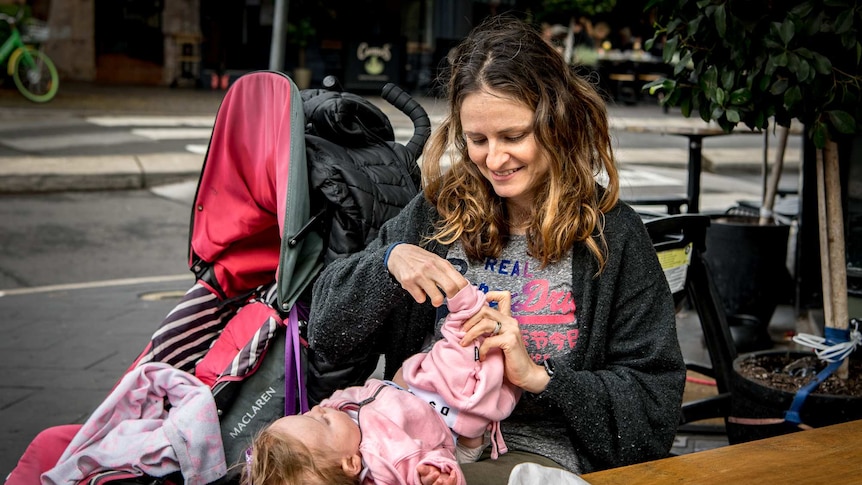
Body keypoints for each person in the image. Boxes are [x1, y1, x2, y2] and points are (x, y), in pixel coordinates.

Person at [307, 14, 686, 483]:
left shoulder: (613, 234)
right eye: (477, 140)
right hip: (401, 444)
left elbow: (653, 406)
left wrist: (540, 377)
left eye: (514, 136)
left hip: (532, 455)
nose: (495, 159)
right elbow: (326, 334)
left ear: (558, 123)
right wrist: (387, 262)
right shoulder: (436, 213)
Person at [243, 284, 521, 485]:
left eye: (307, 413)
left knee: (415, 369)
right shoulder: (388, 457)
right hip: (449, 428)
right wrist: (435, 473)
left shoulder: (341, 434)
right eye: (322, 422)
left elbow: (335, 408)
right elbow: (417, 465)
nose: (321, 410)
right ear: (352, 463)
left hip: (405, 399)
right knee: (467, 364)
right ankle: (471, 312)